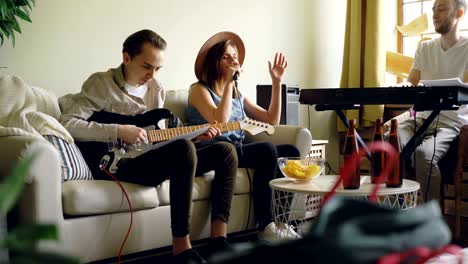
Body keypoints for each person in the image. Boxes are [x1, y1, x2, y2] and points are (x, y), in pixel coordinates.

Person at [58, 29, 238, 264]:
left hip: (148, 158)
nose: (152, 75)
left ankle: (218, 241)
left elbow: (157, 136)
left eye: (157, 69)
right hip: (116, 163)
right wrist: (117, 130)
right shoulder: (101, 83)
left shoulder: (156, 90)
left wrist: (195, 135)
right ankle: (182, 249)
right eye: (146, 66)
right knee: (183, 149)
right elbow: (68, 123)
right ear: (126, 58)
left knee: (225, 151)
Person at [186, 31, 301, 241]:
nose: (234, 60)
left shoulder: (237, 92)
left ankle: (281, 222)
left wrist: (276, 83)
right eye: (227, 57)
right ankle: (265, 226)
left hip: (237, 149)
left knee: (290, 152)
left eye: (235, 56)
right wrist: (230, 83)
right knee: (266, 150)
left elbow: (271, 120)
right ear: (214, 63)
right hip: (214, 150)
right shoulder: (198, 90)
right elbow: (219, 122)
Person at [401, 0, 468, 201]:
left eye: (441, 9)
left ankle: (429, 220)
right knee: (390, 140)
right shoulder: (425, 47)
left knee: (423, 156)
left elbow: (464, 91)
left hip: (451, 123)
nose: (434, 14)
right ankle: (400, 212)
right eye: (433, 10)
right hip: (419, 118)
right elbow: (411, 84)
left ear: (459, 13)